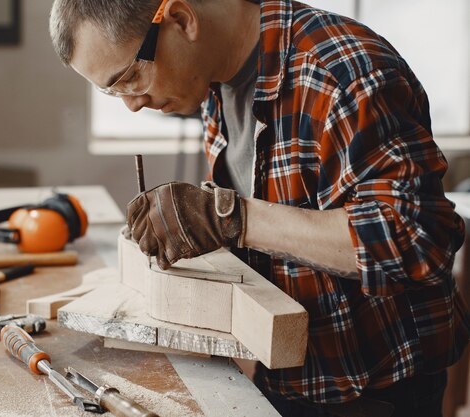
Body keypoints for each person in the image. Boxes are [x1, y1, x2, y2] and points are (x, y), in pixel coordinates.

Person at [49, 0, 470, 415]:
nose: (132, 104)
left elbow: (415, 239)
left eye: (129, 77)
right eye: (113, 90)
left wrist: (231, 217)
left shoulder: (340, 69)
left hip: (373, 385)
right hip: (286, 372)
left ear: (180, 18)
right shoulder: (213, 83)